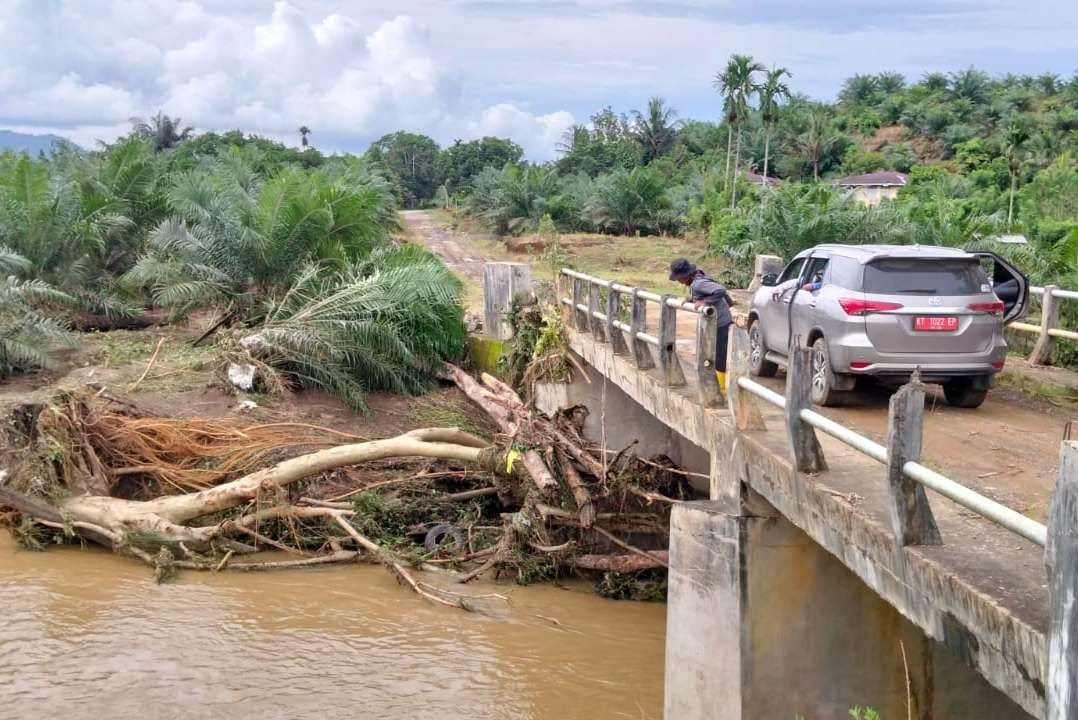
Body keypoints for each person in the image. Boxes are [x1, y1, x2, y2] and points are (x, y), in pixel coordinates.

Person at [669, 258, 735, 394]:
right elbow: (701, 295)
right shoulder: (697, 279)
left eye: (679, 279)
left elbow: (720, 290)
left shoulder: (698, 283)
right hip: (715, 323)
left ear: (685, 276)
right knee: (713, 354)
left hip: (721, 323)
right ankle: (718, 386)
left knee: (720, 357)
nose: (679, 282)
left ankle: (722, 390)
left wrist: (705, 302)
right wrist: (689, 299)